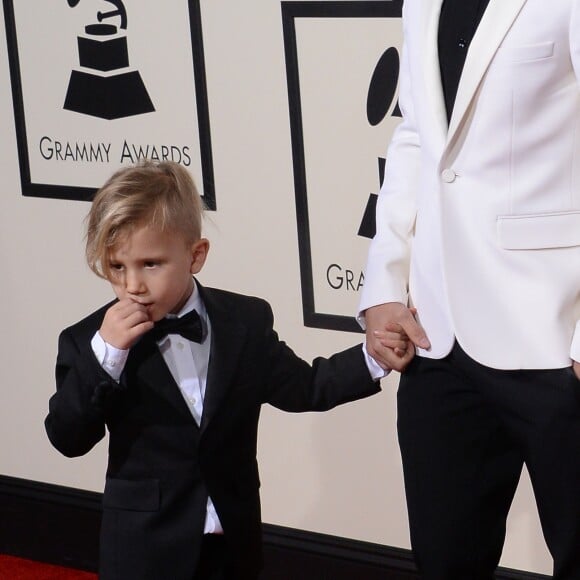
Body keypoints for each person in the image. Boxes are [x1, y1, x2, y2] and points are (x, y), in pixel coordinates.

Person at [45, 160, 388, 580]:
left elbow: (305, 386)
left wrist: (375, 357)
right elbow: (68, 436)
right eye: (117, 267)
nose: (132, 284)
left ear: (196, 255)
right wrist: (107, 357)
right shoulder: (88, 342)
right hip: (144, 551)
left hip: (231, 544)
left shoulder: (244, 322)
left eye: (150, 264)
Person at [359, 1, 580, 579]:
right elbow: (415, 135)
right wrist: (384, 280)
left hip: (556, 335)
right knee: (444, 561)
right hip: (438, 337)